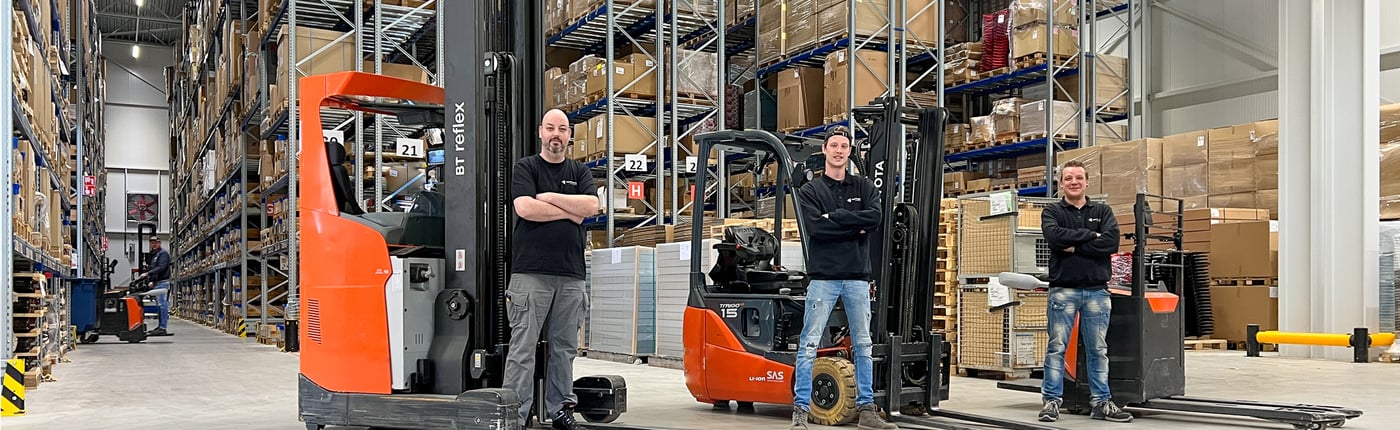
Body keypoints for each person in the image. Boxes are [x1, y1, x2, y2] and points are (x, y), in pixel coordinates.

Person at [789, 127, 897, 430]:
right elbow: (816, 229)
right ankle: (800, 411)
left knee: (863, 344)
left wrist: (834, 217)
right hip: (824, 277)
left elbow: (875, 218)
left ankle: (866, 410)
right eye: (834, 145)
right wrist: (854, 224)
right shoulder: (811, 190)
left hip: (857, 277)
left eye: (844, 146)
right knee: (809, 344)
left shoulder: (863, 186)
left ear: (850, 152)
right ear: (824, 150)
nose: (839, 151)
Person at [504, 108, 600, 430]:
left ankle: (560, 410)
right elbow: (525, 208)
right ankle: (514, 415)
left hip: (571, 274)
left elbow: (591, 208)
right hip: (531, 273)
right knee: (523, 347)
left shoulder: (581, 170)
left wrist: (549, 198)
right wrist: (568, 208)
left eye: (562, 129)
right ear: (540, 132)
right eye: (550, 128)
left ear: (569, 135)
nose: (556, 134)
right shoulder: (526, 167)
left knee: (565, 349)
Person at [1038, 160, 1133, 423]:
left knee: (1098, 350)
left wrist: (1075, 245)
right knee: (1057, 347)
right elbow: (1055, 238)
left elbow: (1111, 242)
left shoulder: (1103, 211)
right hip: (1063, 291)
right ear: (1061, 183)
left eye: (1078, 177)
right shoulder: (1052, 212)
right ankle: (1051, 402)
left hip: (1097, 292)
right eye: (1068, 178)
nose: (1074, 182)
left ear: (1087, 182)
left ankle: (1101, 402)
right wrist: (1092, 236)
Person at [140, 236, 172, 336]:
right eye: (152, 242)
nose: (153, 244)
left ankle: (163, 327)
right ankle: (160, 326)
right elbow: (155, 269)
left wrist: (148, 273)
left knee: (162, 305)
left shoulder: (163, 254)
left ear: (159, 243)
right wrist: (152, 280)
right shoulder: (155, 255)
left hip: (163, 283)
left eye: (155, 242)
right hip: (157, 283)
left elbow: (161, 267)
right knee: (159, 306)